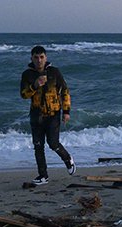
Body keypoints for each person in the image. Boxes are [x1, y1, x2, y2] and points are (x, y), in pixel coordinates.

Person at [20, 45, 75, 185]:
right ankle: (43, 176)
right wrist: (35, 85)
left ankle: (68, 159)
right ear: (31, 58)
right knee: (38, 146)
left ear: (46, 58)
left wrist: (66, 111)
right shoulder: (27, 74)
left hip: (53, 114)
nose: (39, 60)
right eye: (36, 57)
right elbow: (24, 95)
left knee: (53, 143)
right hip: (36, 114)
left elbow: (65, 92)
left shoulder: (54, 72)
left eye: (41, 57)